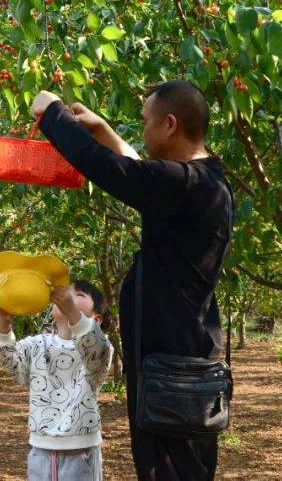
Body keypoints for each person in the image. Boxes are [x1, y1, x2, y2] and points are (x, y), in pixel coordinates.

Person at [30, 81, 233, 480]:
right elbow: (144, 177)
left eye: (145, 122)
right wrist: (105, 131)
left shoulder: (186, 185)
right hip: (182, 364)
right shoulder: (203, 182)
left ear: (169, 124)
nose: (142, 130)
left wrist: (53, 113)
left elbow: (113, 170)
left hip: (172, 374)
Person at [0, 281, 114, 481]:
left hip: (81, 453)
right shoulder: (38, 345)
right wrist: (3, 319)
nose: (67, 296)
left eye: (78, 294)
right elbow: (7, 358)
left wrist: (71, 310)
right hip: (40, 450)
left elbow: (95, 347)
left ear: (96, 320)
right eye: (66, 293)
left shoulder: (98, 349)